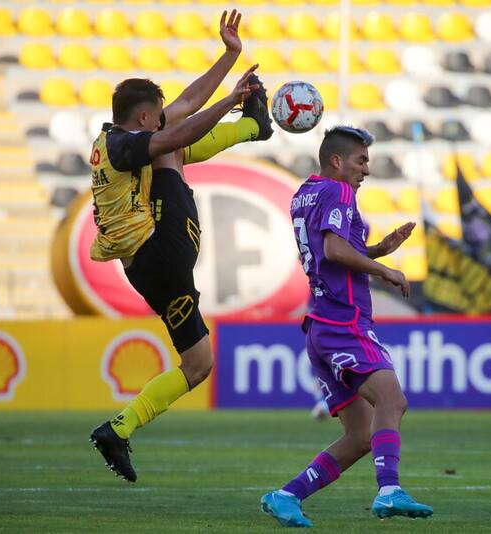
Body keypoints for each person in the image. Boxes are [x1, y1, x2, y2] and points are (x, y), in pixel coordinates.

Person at [88, 10, 273, 483]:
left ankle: (119, 428)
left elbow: (188, 103)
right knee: (172, 147)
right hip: (162, 250)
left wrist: (229, 56)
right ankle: (255, 127)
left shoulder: (121, 139)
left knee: (199, 363)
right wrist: (234, 100)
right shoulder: (126, 146)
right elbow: (182, 130)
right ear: (144, 115)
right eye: (157, 115)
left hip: (150, 268)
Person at [261, 126, 432, 527]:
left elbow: (329, 251)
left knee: (359, 435)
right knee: (392, 401)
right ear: (336, 161)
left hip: (320, 323)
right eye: (361, 160)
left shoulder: (305, 192)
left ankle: (287, 495)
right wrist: (383, 269)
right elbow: (335, 250)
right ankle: (389, 491)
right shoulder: (339, 192)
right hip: (344, 320)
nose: (367, 170)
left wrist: (374, 250)